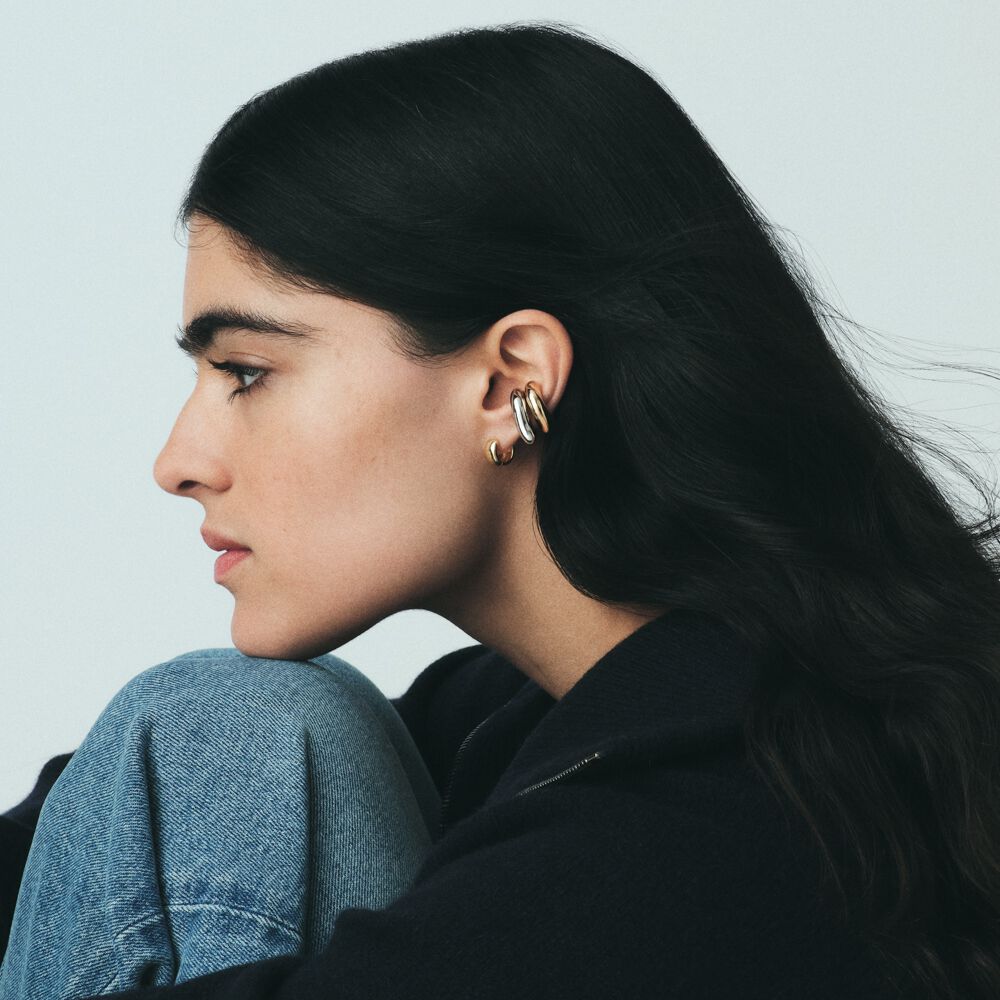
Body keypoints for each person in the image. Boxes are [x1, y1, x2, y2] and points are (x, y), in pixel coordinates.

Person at [2, 18, 999, 1000]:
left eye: (247, 372)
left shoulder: (681, 837)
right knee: (224, 725)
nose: (178, 463)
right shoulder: (556, 708)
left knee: (222, 722)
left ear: (507, 380)